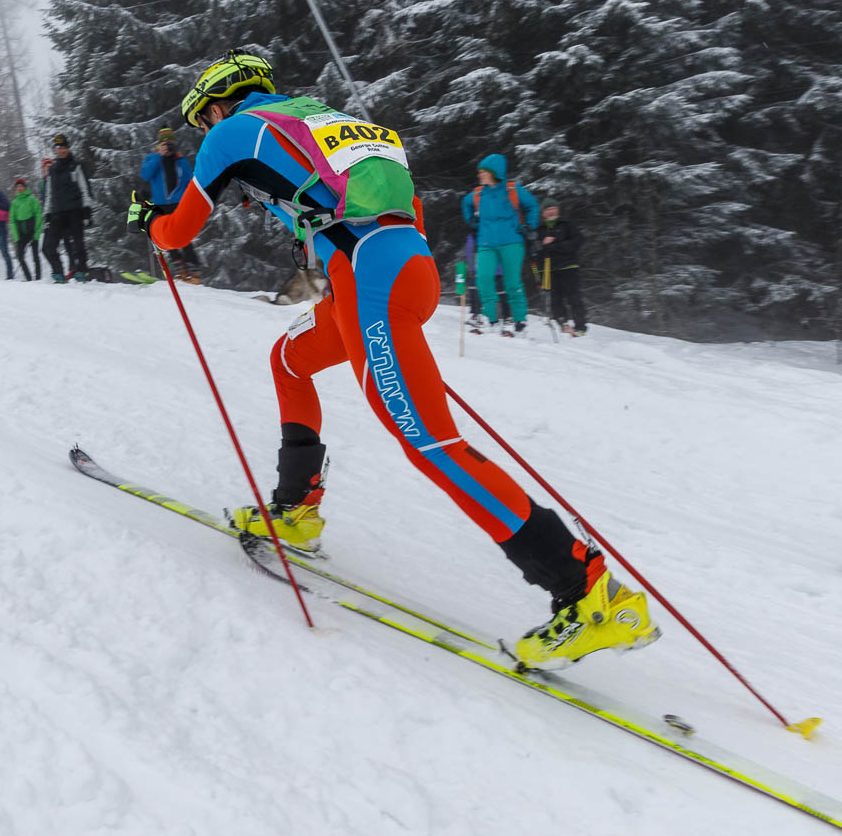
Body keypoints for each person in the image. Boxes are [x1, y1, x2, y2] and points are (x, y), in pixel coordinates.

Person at [133, 52, 656, 669]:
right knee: (290, 358)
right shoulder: (323, 120)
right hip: (399, 265)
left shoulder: (231, 133)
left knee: (431, 446)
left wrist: (149, 219)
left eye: (203, 119)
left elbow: (176, 232)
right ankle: (297, 510)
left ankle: (590, 593)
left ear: (218, 103)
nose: (204, 131)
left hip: (370, 280)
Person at [462, 155, 540, 337]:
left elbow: (532, 206)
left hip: (512, 242)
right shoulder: (479, 193)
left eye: (483, 172)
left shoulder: (513, 189)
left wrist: (530, 225)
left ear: (494, 173)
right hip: (486, 243)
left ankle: (519, 321)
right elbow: (465, 204)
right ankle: (491, 319)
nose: (480, 175)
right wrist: (471, 220)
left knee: (512, 281)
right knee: (483, 278)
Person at [139, 127, 201, 282]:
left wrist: (193, 199)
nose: (168, 146)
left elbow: (189, 180)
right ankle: (178, 267)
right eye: (165, 143)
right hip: (160, 203)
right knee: (168, 235)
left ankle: (192, 267)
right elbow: (145, 174)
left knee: (183, 234)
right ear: (159, 144)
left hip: (178, 201)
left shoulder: (180, 160)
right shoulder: (152, 158)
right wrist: (158, 156)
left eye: (171, 142)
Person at [41, 134, 92, 282]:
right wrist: (47, 214)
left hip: (75, 210)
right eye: (59, 148)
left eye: (64, 147)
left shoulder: (75, 166)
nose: (62, 150)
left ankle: (81, 272)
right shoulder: (52, 170)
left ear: (68, 148)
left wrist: (87, 209)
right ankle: (58, 273)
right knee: (49, 246)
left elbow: (84, 189)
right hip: (57, 212)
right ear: (55, 150)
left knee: (78, 244)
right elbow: (49, 193)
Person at [537, 204, 587, 335]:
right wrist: (543, 245)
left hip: (568, 265)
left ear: (558, 210)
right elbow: (535, 249)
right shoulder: (540, 229)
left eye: (553, 208)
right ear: (543, 213)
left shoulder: (566, 224)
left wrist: (555, 245)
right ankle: (562, 323)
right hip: (548, 268)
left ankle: (580, 326)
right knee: (554, 298)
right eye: (547, 209)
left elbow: (578, 241)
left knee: (573, 296)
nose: (551, 212)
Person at [8, 177, 43, 280]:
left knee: (35, 256)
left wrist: (36, 234)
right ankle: (28, 278)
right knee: (20, 256)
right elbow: (12, 220)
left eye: (21, 186)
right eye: (17, 187)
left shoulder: (32, 199)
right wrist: (16, 237)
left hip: (32, 232)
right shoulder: (14, 203)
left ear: (25, 187)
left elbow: (39, 216)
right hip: (21, 234)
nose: (19, 188)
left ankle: (38, 278)